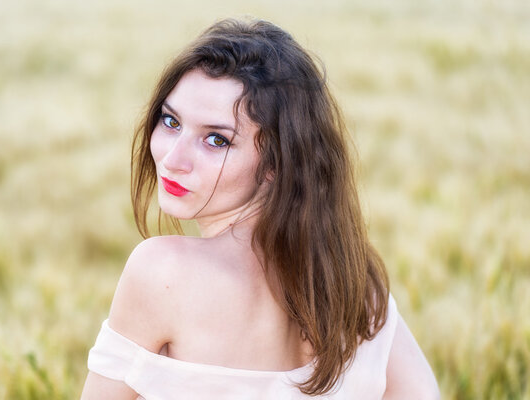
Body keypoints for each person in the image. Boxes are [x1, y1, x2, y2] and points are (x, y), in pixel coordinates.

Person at [81, 18, 439, 399]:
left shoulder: (161, 270)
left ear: (275, 164)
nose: (172, 158)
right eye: (171, 121)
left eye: (216, 140)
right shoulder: (353, 283)